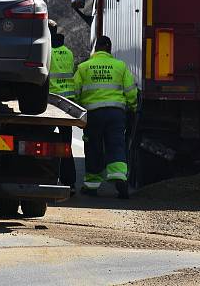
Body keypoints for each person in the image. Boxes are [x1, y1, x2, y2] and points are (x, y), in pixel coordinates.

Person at [73, 35, 137, 199]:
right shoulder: (120, 66)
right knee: (116, 144)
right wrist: (132, 107)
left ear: (95, 49)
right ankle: (119, 178)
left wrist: (79, 110)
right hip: (116, 113)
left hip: (93, 114)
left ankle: (92, 186)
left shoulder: (84, 67)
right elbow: (130, 91)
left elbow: (76, 92)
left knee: (93, 147)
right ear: (109, 49)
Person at [48, 20, 77, 193]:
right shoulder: (68, 52)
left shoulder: (45, 52)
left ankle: (49, 177)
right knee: (66, 146)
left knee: (44, 141)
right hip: (67, 104)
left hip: (49, 103)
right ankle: (70, 182)